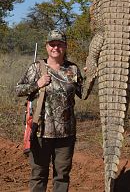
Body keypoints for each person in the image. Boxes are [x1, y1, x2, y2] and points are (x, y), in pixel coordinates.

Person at [16, 29, 83, 192]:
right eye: (52, 44)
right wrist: (37, 84)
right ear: (47, 46)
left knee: (62, 176)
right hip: (40, 132)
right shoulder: (36, 67)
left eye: (59, 44)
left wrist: (92, 73)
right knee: (38, 175)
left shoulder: (73, 69)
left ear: (65, 47)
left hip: (66, 134)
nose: (55, 48)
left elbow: (83, 92)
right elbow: (18, 90)